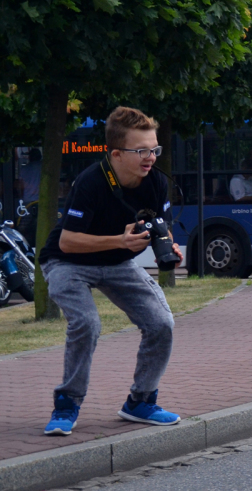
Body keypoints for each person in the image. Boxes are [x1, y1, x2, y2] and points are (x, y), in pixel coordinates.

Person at [39, 107, 184, 436]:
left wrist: (168, 246)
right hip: (66, 262)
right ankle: (67, 403)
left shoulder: (157, 181)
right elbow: (68, 241)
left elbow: (163, 227)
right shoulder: (90, 182)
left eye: (154, 149)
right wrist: (119, 239)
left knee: (161, 322)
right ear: (116, 154)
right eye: (142, 151)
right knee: (88, 323)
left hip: (116, 263)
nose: (150, 157)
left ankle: (141, 401)